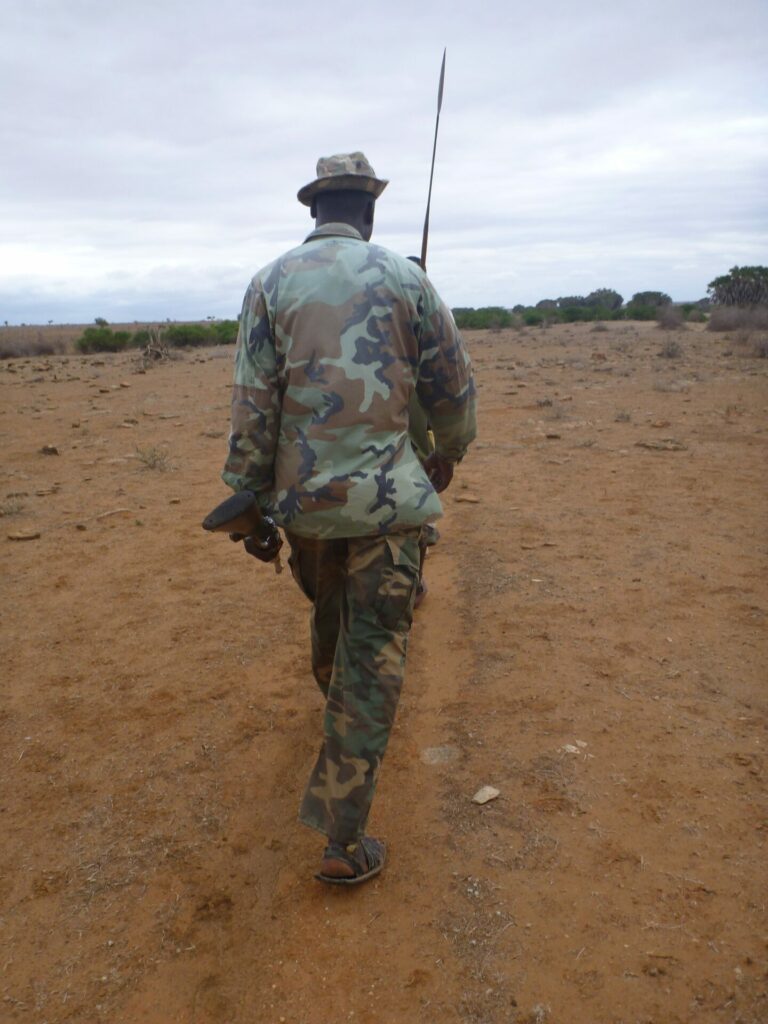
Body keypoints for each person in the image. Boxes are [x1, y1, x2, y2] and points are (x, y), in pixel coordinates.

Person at [221, 152, 476, 885]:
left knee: (334, 629)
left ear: (314, 210)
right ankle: (343, 843)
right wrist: (449, 452)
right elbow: (453, 388)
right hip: (388, 509)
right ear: (369, 212)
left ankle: (342, 777)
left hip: (303, 511)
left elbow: (252, 404)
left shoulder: (268, 283)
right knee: (367, 664)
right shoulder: (406, 277)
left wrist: (248, 496)